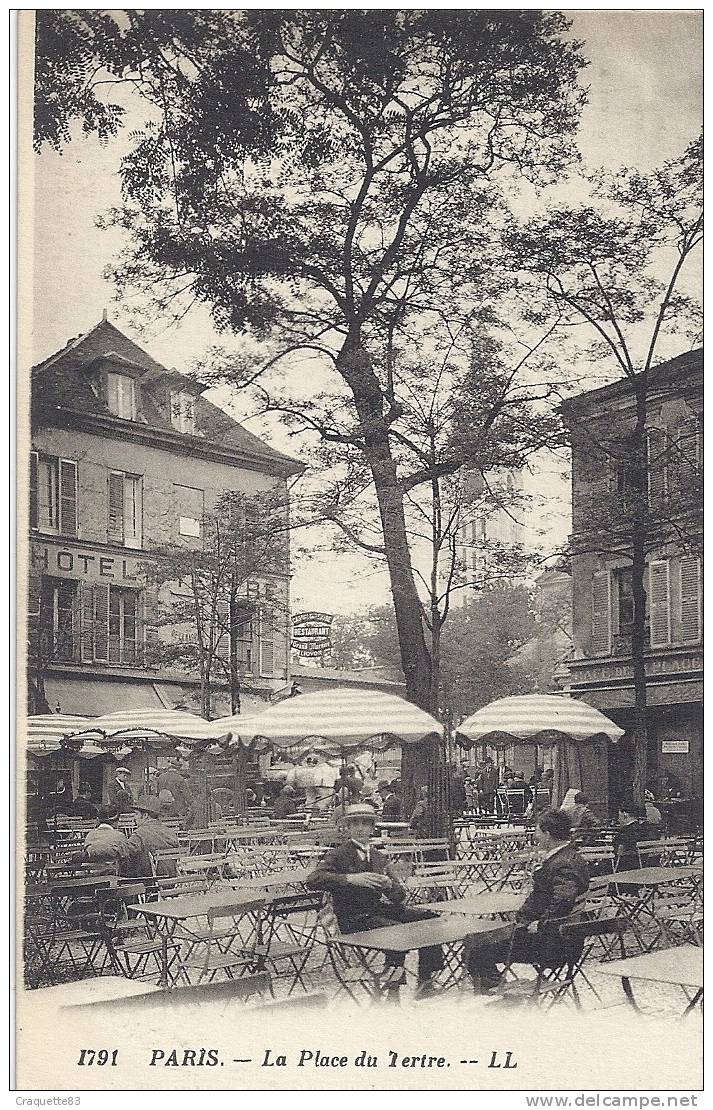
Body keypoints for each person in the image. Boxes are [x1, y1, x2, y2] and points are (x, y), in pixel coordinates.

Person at [306, 804, 445, 997]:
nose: (361, 828)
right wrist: (349, 879)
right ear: (348, 828)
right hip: (353, 919)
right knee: (395, 931)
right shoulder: (337, 855)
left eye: (366, 824)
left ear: (373, 828)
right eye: (355, 824)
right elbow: (313, 880)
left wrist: (389, 885)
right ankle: (392, 992)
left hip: (376, 911)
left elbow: (399, 898)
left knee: (430, 919)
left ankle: (426, 981)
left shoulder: (379, 857)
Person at [466, 808, 589, 992]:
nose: (535, 835)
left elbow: (563, 900)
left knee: (474, 948)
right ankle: (498, 988)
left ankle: (497, 993)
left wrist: (540, 924)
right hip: (563, 939)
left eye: (537, 830)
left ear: (547, 834)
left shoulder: (562, 863)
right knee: (483, 940)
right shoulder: (570, 856)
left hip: (551, 944)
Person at [125, 795, 180, 878]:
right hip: (170, 880)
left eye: (136, 814)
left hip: (148, 881)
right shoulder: (170, 832)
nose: (134, 818)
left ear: (145, 815)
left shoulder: (140, 834)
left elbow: (125, 852)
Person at [73, 804, 131, 875]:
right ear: (116, 821)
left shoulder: (90, 835)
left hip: (89, 876)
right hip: (111, 877)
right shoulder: (120, 836)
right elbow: (125, 858)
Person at [613, 802, 649, 871]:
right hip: (643, 864)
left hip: (624, 866)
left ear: (625, 815)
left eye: (619, 816)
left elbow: (614, 846)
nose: (618, 820)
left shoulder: (625, 831)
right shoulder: (644, 829)